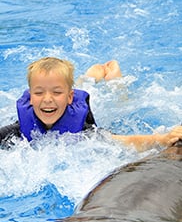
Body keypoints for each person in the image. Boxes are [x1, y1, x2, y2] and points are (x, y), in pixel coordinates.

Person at [0, 56, 182, 151]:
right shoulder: (16, 132)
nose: (47, 99)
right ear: (30, 97)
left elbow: (124, 142)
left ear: (70, 97)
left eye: (56, 92)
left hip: (77, 108)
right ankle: (87, 78)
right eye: (39, 93)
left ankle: (112, 82)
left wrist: (163, 139)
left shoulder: (85, 132)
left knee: (120, 103)